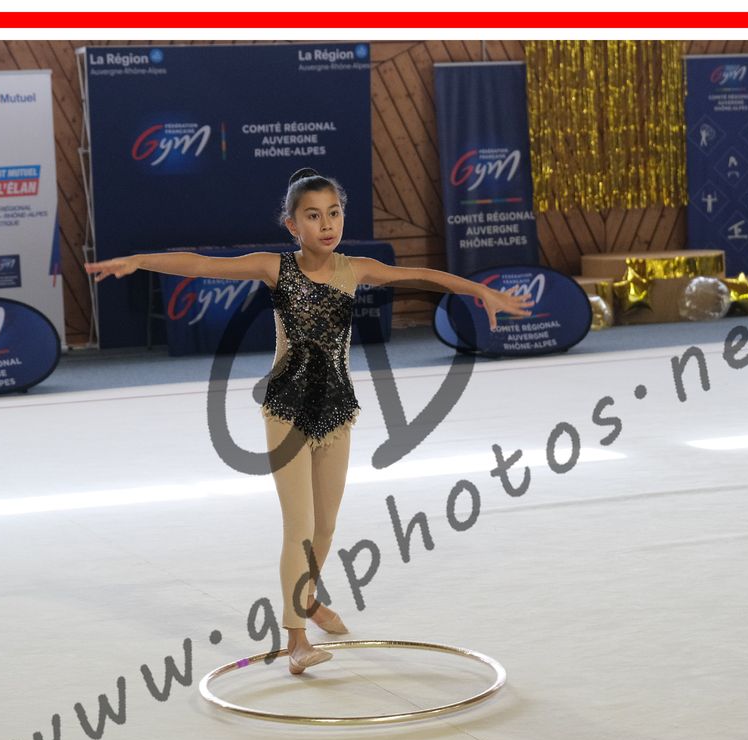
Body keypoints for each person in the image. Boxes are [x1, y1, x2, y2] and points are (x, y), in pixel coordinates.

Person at [85, 168, 534, 675]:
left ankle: (310, 598)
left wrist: (480, 291)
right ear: (292, 225)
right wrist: (139, 261)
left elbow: (426, 277)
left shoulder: (356, 269)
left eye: (334, 213)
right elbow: (202, 263)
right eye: (314, 216)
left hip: (337, 410)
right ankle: (296, 638)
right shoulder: (274, 268)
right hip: (288, 410)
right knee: (299, 527)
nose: (327, 225)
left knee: (325, 527)